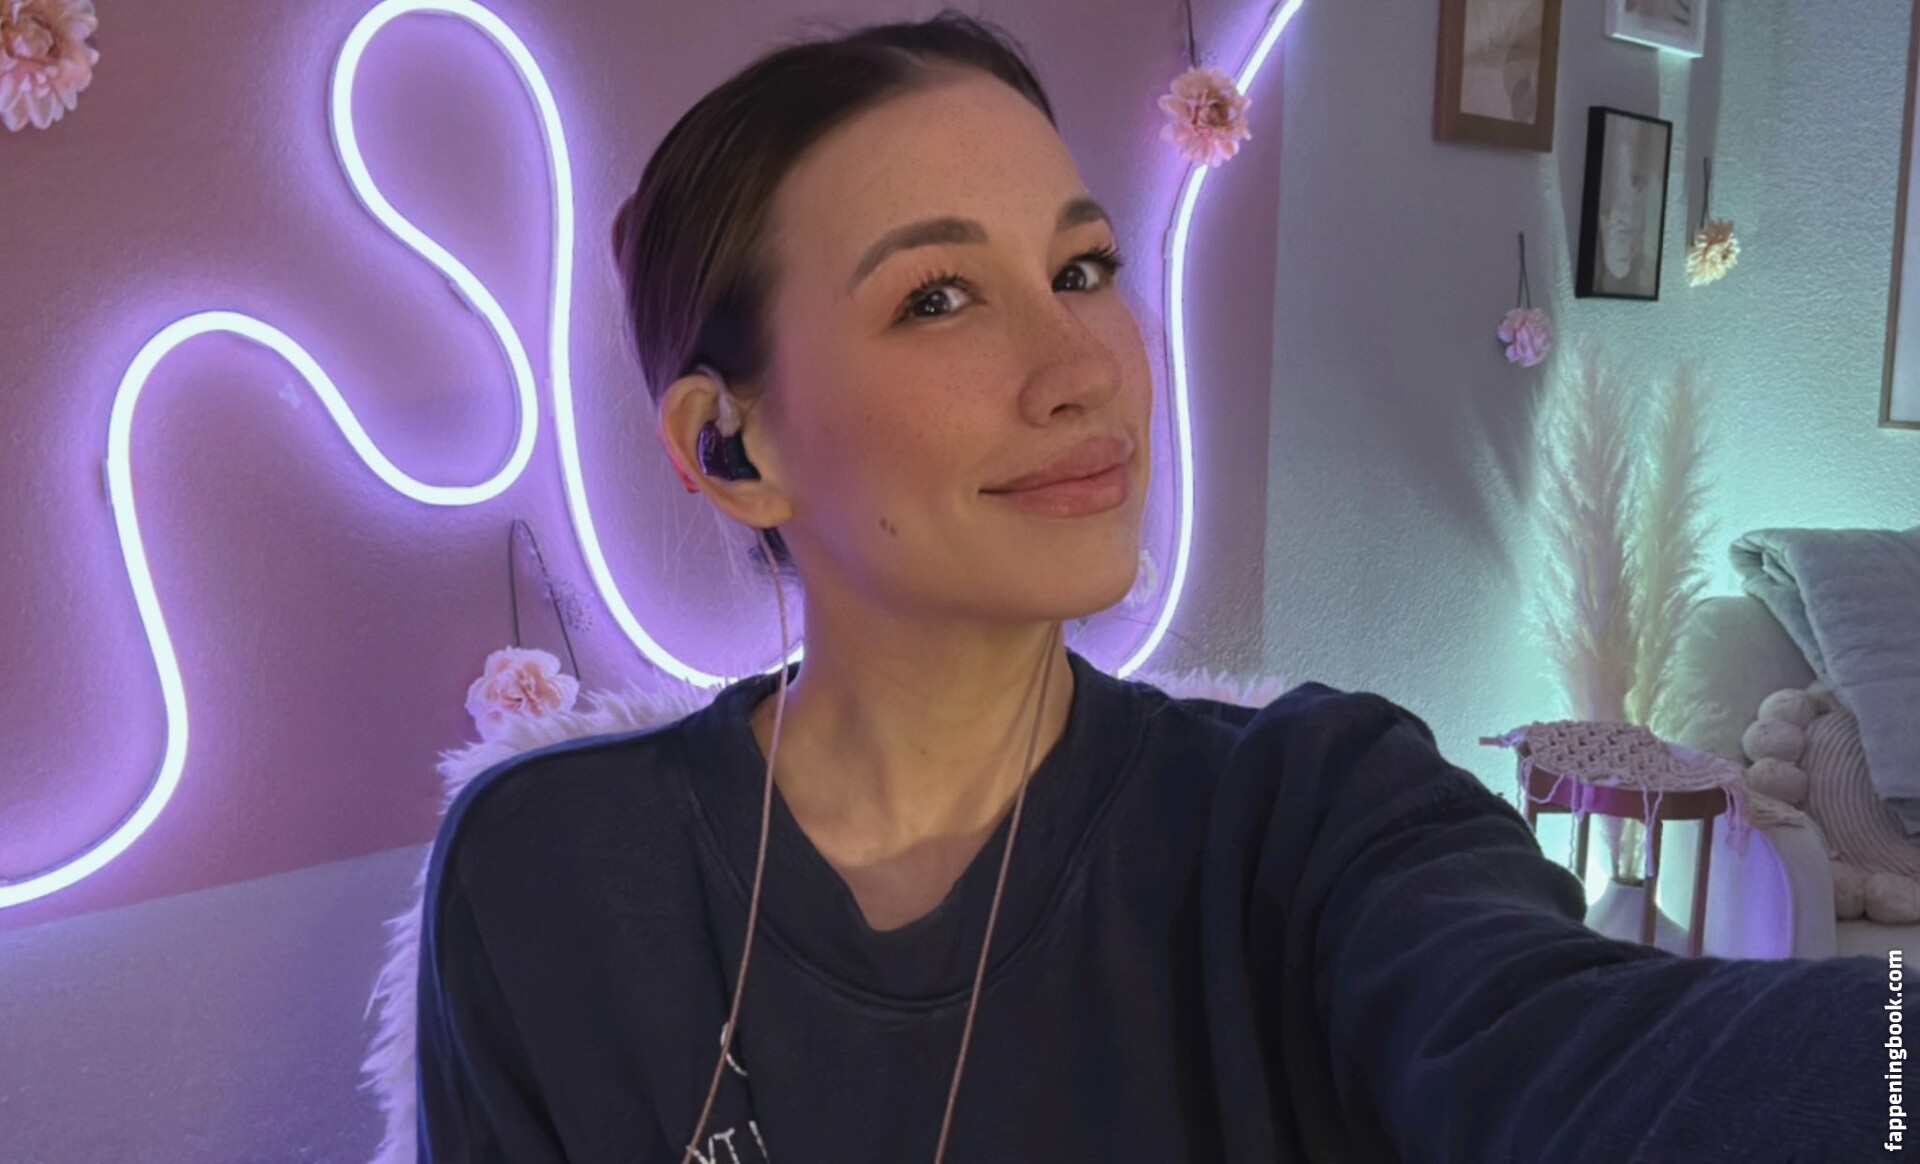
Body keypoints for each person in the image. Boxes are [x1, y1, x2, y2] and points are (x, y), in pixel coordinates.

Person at [415, 11, 1891, 1162]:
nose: (1084, 368)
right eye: (937, 297)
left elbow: (1592, 1066)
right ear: (729, 450)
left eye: (1082, 267)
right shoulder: (548, 874)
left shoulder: (1318, 815)